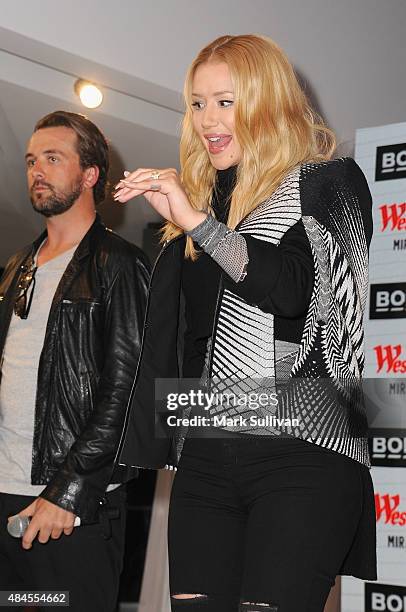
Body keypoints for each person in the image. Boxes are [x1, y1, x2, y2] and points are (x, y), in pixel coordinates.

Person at [115, 34, 376, 612]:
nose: (207, 119)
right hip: (207, 458)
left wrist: (197, 224)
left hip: (302, 454)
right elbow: (180, 341)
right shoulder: (208, 201)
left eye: (225, 101)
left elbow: (290, 292)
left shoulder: (329, 182)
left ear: (269, 100)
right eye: (197, 103)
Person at [0, 111, 150, 611]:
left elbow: (124, 392)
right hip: (5, 496)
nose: (36, 170)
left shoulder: (121, 265)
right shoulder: (16, 267)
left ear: (90, 175)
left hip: (66, 509)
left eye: (52, 158)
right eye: (30, 161)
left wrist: (70, 492)